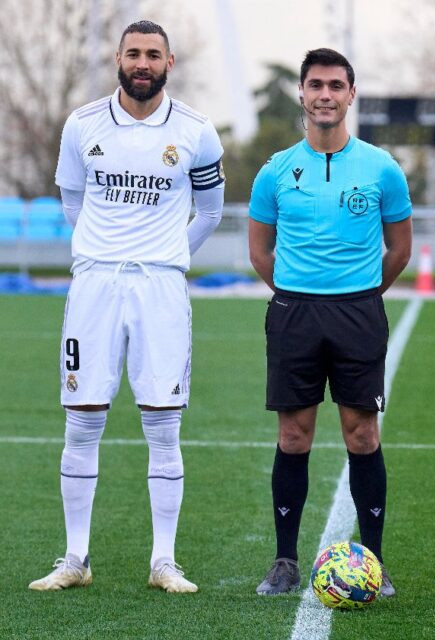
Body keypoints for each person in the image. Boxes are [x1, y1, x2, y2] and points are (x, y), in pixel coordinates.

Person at [29, 20, 225, 593]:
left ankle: (164, 561)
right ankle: (74, 558)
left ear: (170, 62)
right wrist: (104, 253)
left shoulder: (195, 130)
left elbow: (210, 213)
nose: (143, 63)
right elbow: (73, 199)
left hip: (160, 289)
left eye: (153, 55)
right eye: (134, 53)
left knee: (163, 425)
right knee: (82, 420)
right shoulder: (82, 124)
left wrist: (163, 257)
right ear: (118, 57)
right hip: (93, 287)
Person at [248, 48, 412, 596]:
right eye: (315, 85)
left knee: (361, 433)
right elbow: (259, 250)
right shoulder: (275, 170)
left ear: (350, 94)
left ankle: (376, 560)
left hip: (359, 312)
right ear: (302, 92)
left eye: (335, 86)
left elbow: (399, 249)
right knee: (293, 436)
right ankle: (285, 560)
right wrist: (299, 293)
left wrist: (359, 296)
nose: (325, 94)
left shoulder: (381, 168)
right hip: (294, 312)